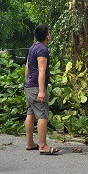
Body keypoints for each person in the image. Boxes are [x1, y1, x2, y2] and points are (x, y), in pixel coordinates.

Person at [24, 24, 59, 154]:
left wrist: (27, 83)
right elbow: (42, 70)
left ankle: (29, 143)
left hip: (29, 85)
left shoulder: (33, 47)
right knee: (43, 115)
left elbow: (27, 67)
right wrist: (41, 90)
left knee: (30, 114)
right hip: (36, 86)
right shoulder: (42, 50)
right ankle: (43, 146)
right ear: (47, 36)